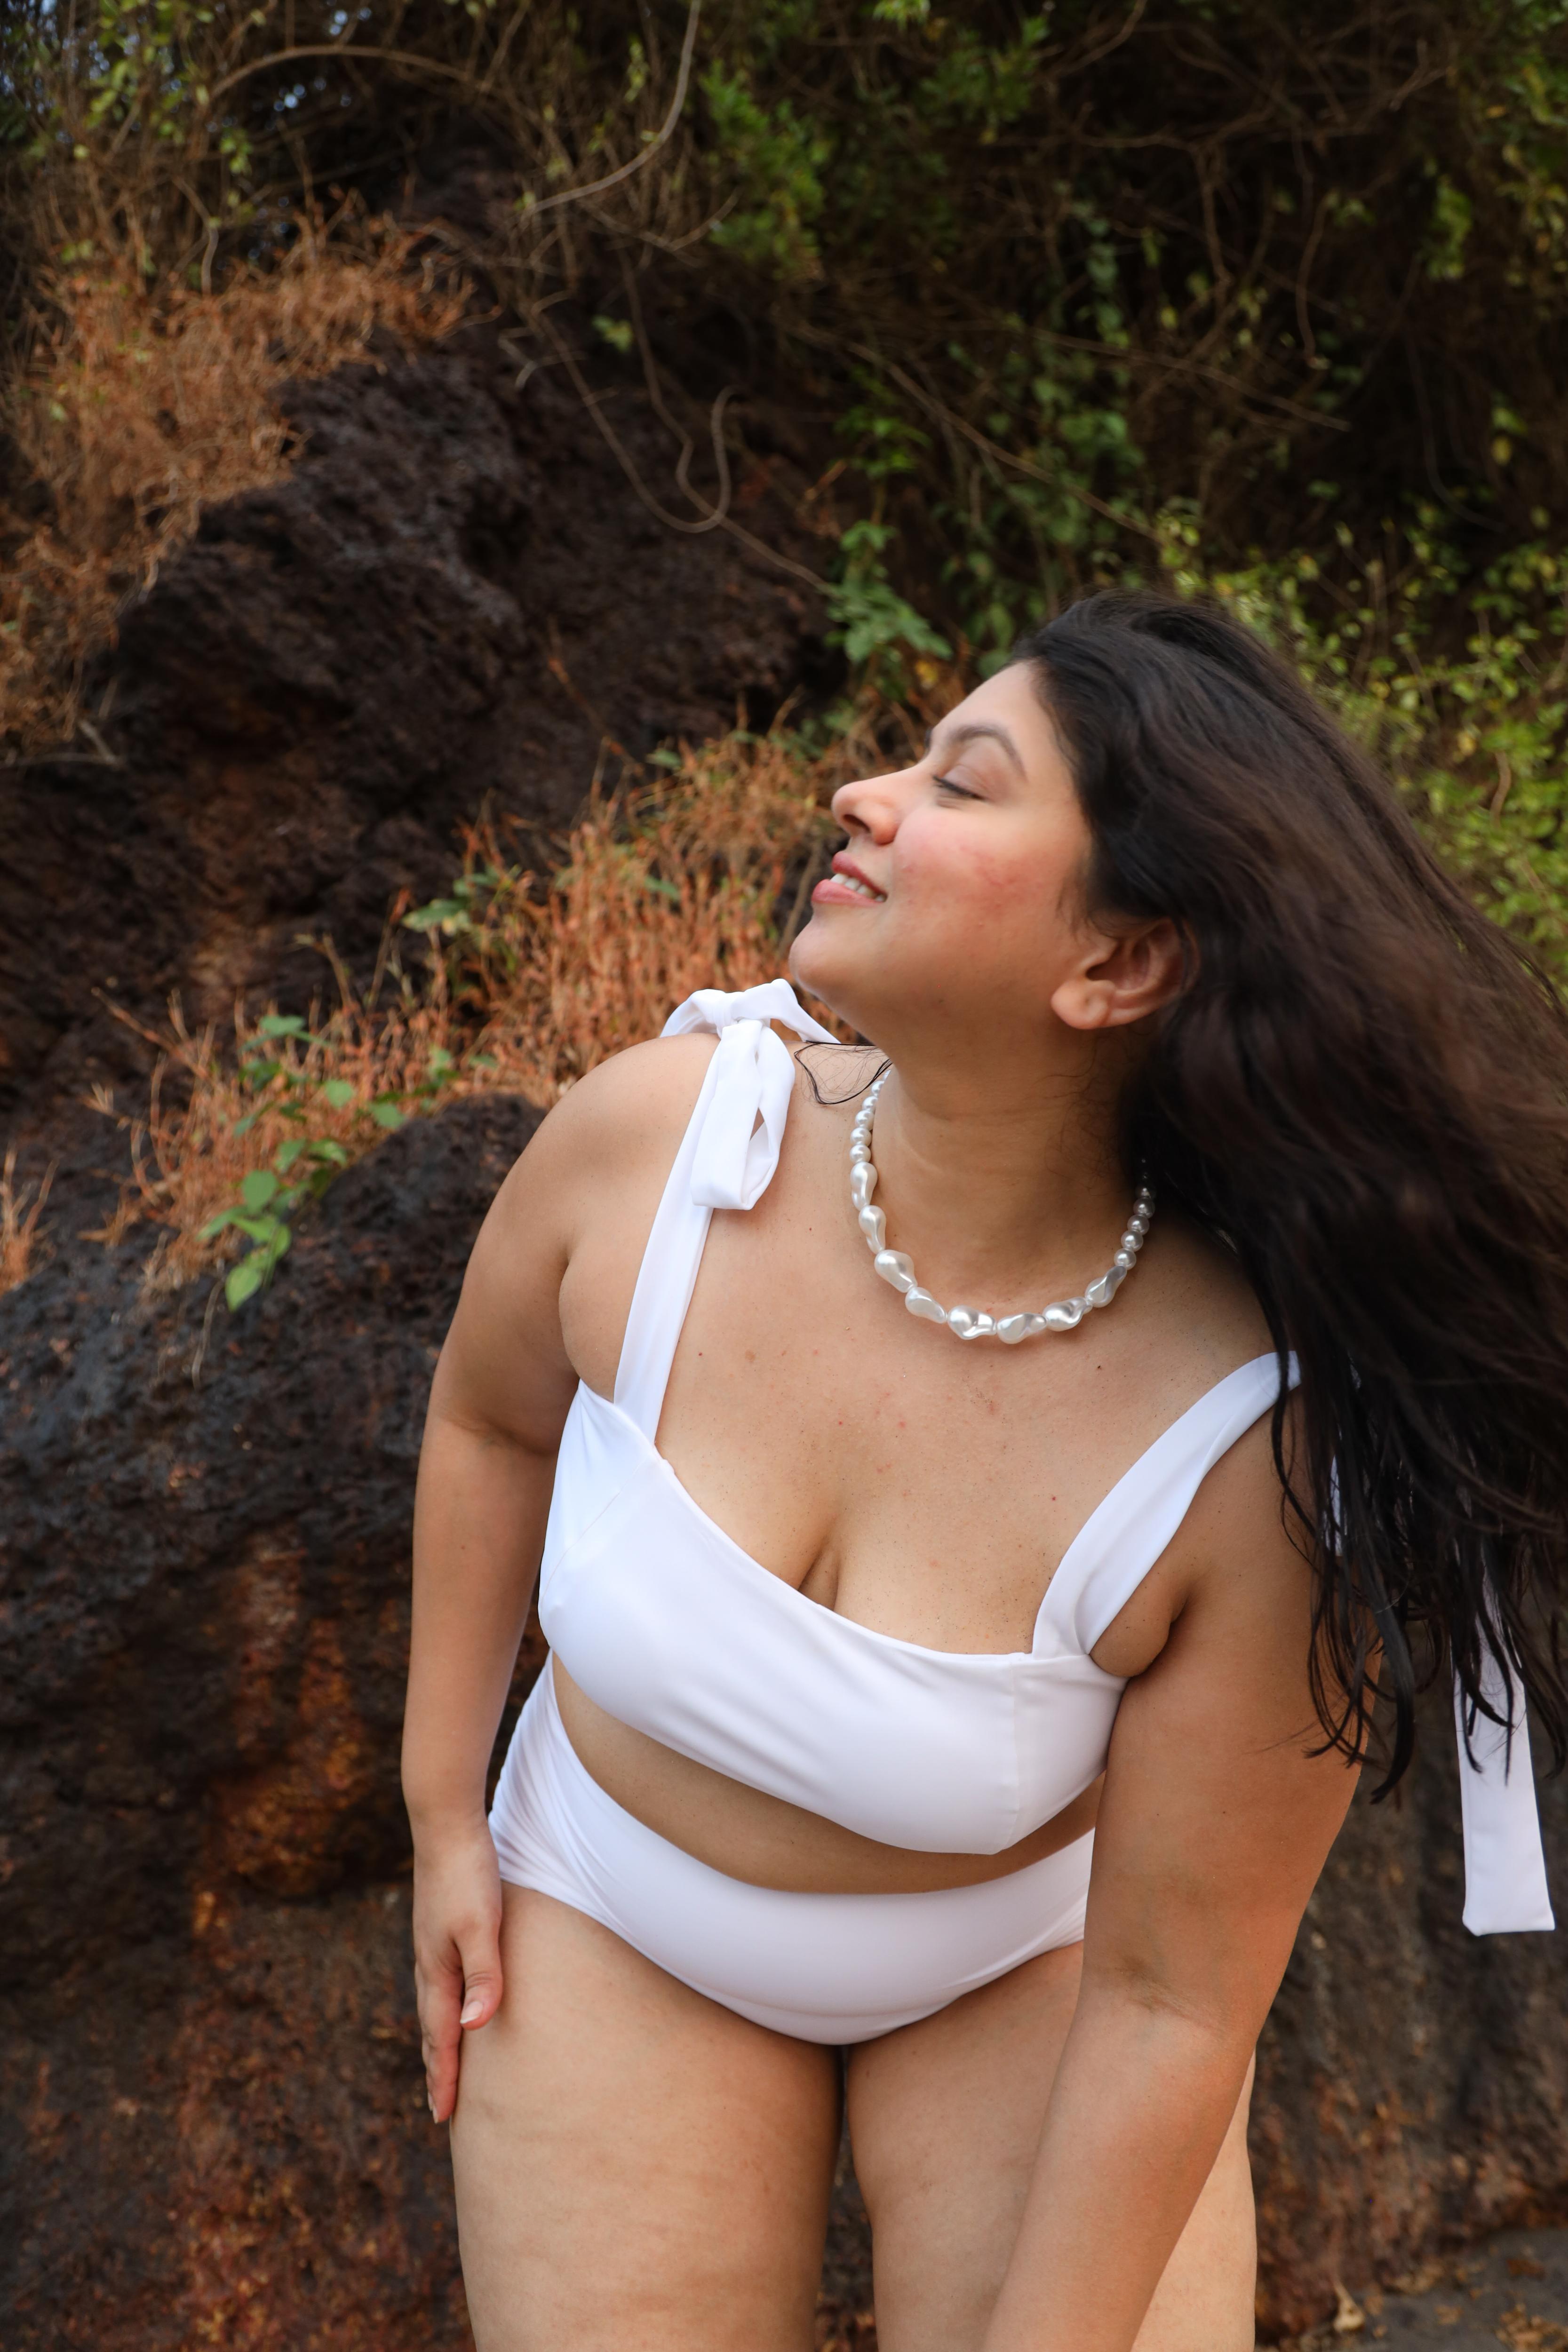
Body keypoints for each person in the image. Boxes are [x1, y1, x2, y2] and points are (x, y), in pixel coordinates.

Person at [401, 591, 1562, 2352]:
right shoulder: (654, 1144)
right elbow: (492, 1424)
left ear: (1118, 965)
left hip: (1035, 1973)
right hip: (604, 1904)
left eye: (962, 781)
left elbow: (1176, 2003)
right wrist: (440, 1815)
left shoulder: (1248, 1444)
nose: (866, 796)